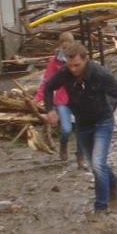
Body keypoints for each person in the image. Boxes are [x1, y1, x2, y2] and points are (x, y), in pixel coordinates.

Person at [44, 44, 117, 214]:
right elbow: (48, 87)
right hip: (82, 123)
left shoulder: (99, 74)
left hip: (103, 121)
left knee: (98, 163)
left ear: (85, 59)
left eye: (77, 65)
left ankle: (100, 207)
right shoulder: (65, 73)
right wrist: (50, 109)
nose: (73, 69)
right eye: (70, 66)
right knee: (95, 164)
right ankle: (113, 182)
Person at [34, 31, 80, 164]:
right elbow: (46, 82)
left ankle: (80, 155)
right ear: (60, 46)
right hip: (62, 101)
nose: (65, 51)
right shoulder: (55, 62)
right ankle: (63, 146)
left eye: (68, 48)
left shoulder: (79, 59)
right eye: (63, 48)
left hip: (78, 99)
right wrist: (38, 98)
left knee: (81, 129)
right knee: (66, 129)